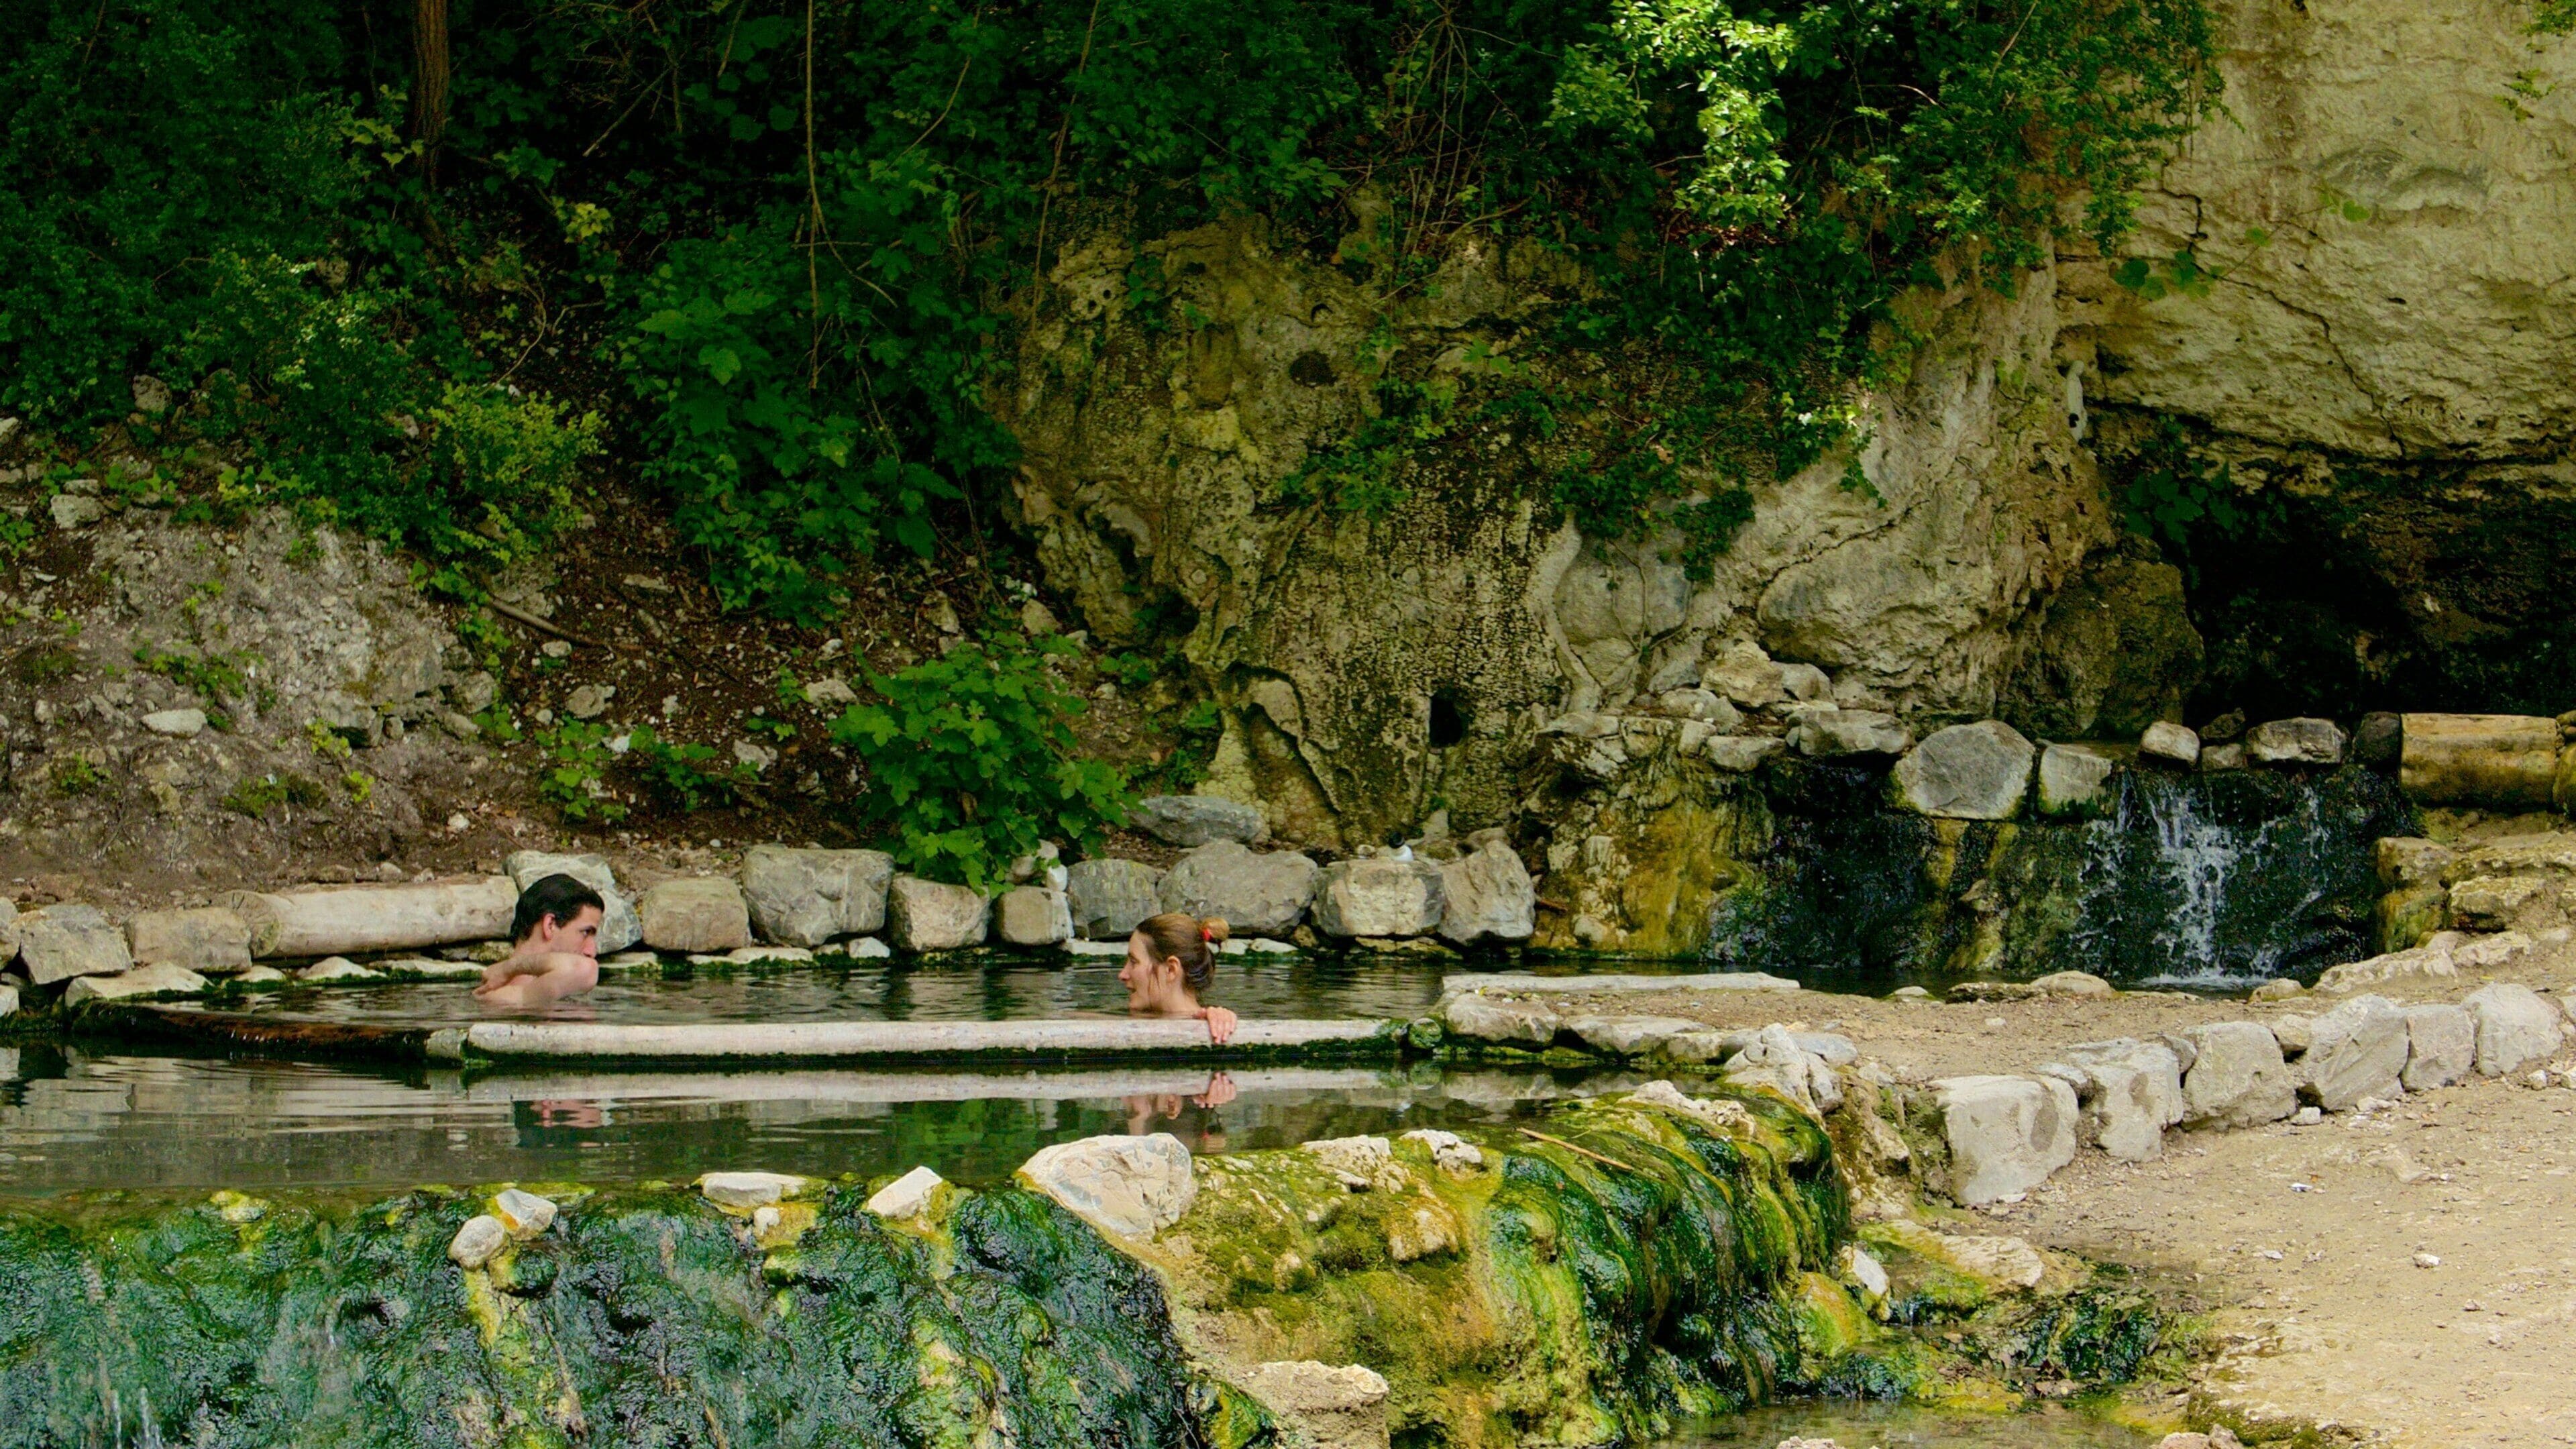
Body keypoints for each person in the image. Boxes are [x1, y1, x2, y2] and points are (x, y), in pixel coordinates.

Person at [475, 873, 604, 1008]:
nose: (592, 951)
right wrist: (509, 968)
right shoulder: (501, 998)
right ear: (550, 925)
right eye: (586, 932)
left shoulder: (554, 989)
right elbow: (585, 969)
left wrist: (508, 968)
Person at [1120, 911, 1238, 1044]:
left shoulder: (1214, 1024)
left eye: (1134, 962)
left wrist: (1224, 1019)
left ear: (1171, 970)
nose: (1122, 975)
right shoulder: (1137, 1015)